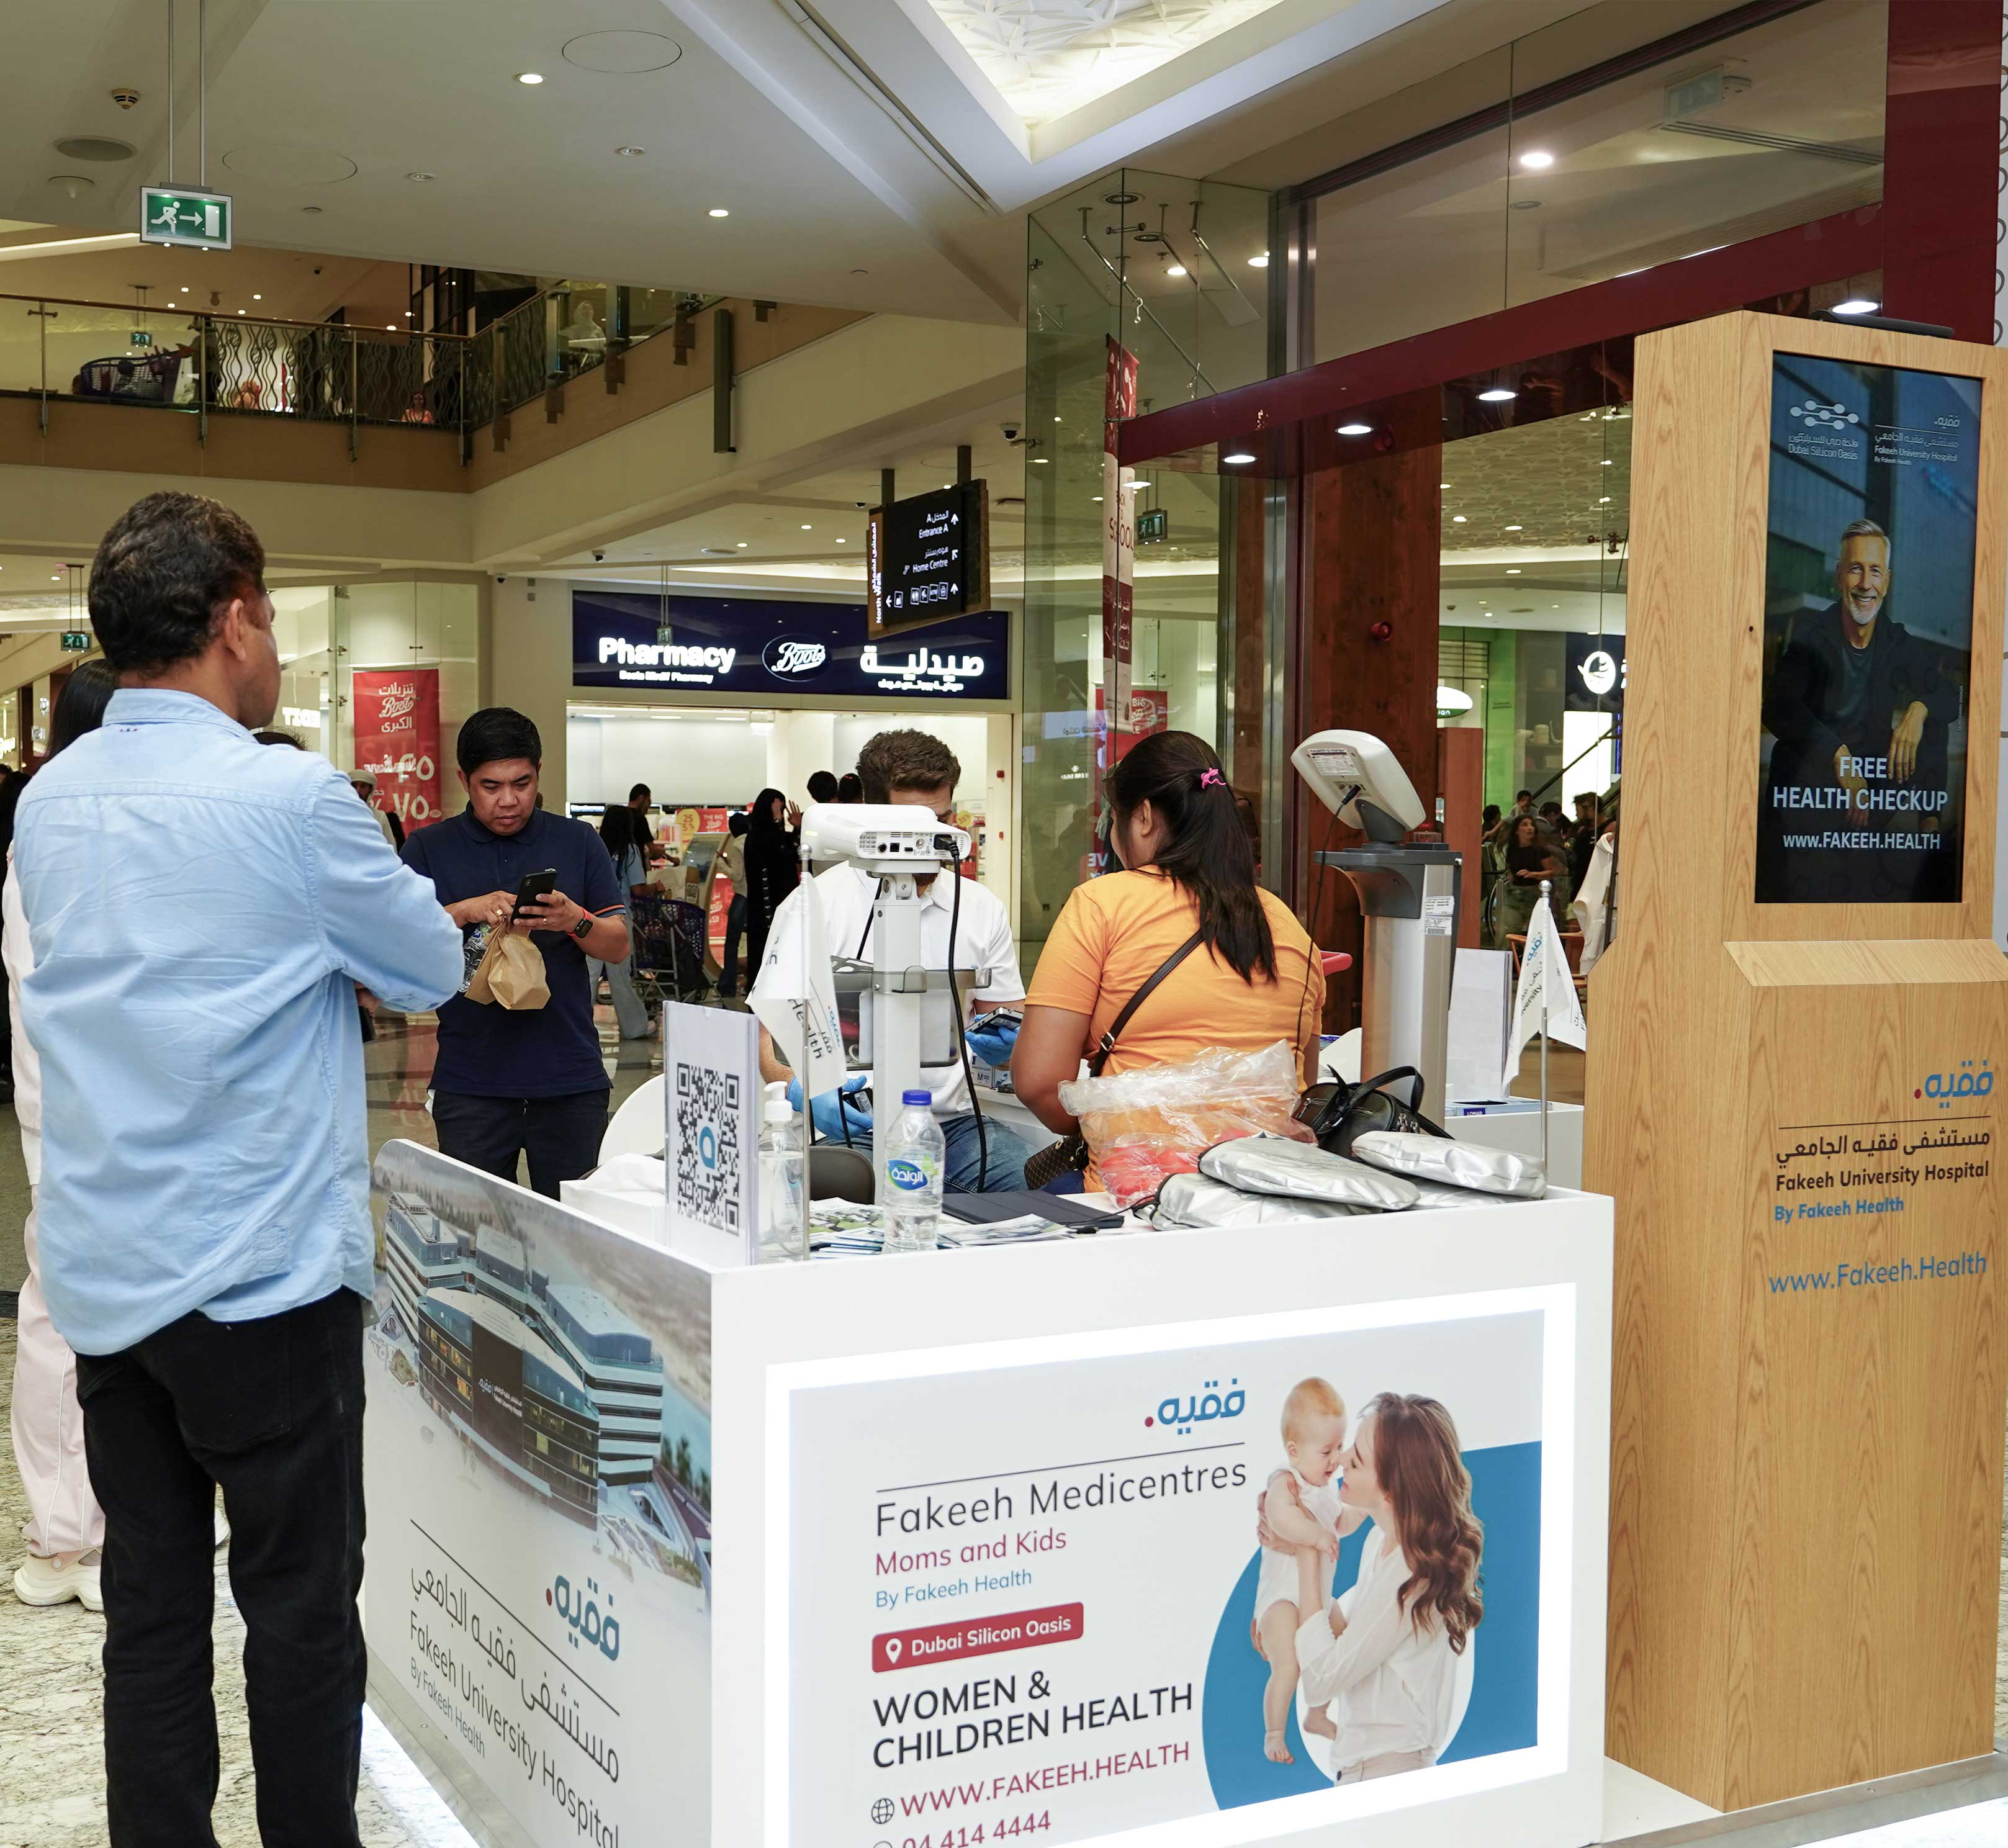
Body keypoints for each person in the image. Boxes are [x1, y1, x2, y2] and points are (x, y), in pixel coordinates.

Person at [14, 490, 464, 1845]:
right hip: (262, 1281)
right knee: (300, 1610)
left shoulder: (50, 800)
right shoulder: (288, 797)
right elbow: (428, 964)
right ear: (233, 622)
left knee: (151, 1608)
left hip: (107, 1275)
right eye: (267, 615)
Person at [1012, 731, 1325, 1190]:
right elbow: (1298, 1082)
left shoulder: (1102, 903)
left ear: (1142, 817)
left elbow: (1038, 1081)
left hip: (1136, 1193)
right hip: (1266, 1190)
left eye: (1112, 820)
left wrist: (1112, 1124)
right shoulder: (1286, 923)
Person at [751, 730, 1034, 1192]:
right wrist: (804, 1086)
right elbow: (766, 1042)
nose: (932, 841)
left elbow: (1006, 1023)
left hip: (953, 1127)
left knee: (1038, 1188)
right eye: (914, 826)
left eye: (942, 820)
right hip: (854, 1128)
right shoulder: (813, 906)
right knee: (848, 1199)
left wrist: (1012, 1048)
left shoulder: (981, 908)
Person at [400, 708, 631, 1197]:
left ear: (538, 772)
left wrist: (573, 918)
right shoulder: (428, 849)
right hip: (471, 1082)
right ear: (464, 779)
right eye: (490, 786)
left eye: (522, 783)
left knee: (572, 1230)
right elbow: (398, 946)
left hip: (569, 1079)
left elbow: (617, 943)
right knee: (478, 1230)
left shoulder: (577, 841)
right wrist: (462, 911)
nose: (508, 800)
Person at [7, 662, 118, 1613]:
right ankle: (62, 1533)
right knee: (60, 1323)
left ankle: (94, 1522)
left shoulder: (79, 821)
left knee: (99, 1324)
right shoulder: (51, 829)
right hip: (79, 1119)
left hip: (108, 1120)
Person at [1284, 1394, 1485, 1785]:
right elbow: (1352, 1644)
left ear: (1390, 1491)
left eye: (1357, 1460)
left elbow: (1321, 1680)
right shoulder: (1381, 1543)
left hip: (1389, 1776)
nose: (1342, 1460)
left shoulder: (1413, 1573)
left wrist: (1308, 1552)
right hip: (1369, 1771)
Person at [1758, 517, 1958, 902]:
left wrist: (1918, 710)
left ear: (1887, 581)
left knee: (1933, 720)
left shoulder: (1895, 640)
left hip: (1872, 791)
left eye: (1875, 571)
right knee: (1790, 754)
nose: (1866, 583)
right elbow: (1777, 705)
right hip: (1817, 790)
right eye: (1855, 569)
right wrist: (1838, 756)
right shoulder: (1813, 635)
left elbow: (1949, 697)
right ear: (1839, 576)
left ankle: (1929, 837)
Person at [1254, 1379, 1364, 1764]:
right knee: (1289, 1665)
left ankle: (1317, 1713)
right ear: (1294, 1452)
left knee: (1342, 1642)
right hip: (1282, 1599)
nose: (1335, 1460)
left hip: (1317, 1597)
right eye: (1326, 1451)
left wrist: (1364, 1509)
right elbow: (1279, 1517)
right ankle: (1274, 1732)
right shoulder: (1288, 1481)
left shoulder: (1326, 1490)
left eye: (1340, 1446)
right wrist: (1315, 1536)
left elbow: (1342, 1523)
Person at [591, 805, 655, 1041]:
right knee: (620, 977)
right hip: (617, 919)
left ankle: (577, 1026)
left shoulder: (594, 847)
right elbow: (638, 889)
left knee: (588, 975)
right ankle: (634, 1027)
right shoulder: (630, 851)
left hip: (591, 918)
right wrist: (656, 887)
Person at [739, 787, 799, 983]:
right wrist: (777, 822)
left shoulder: (779, 835)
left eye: (781, 811)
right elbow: (775, 852)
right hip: (765, 909)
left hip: (783, 905)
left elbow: (794, 854)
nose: (780, 815)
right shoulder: (756, 837)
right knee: (764, 953)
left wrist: (798, 828)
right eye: (777, 810)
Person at [1498, 812, 1566, 939]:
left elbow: (1552, 872)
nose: (1530, 828)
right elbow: (1510, 868)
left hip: (1534, 893)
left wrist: (1533, 874)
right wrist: (1510, 877)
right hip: (1515, 893)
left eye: (1531, 825)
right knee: (1508, 930)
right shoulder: (1512, 849)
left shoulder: (1541, 850)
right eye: (1525, 825)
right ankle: (1509, 951)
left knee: (1535, 931)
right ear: (1517, 831)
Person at [716, 808, 749, 999]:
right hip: (755, 896)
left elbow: (737, 875)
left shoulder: (737, 845)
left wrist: (721, 863)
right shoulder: (751, 842)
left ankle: (727, 985)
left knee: (731, 942)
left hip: (742, 895)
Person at [348, 764, 405, 849]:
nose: (358, 790)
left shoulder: (379, 817)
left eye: (363, 786)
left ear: (370, 790)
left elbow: (390, 848)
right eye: (354, 786)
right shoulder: (340, 814)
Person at [627, 781, 655, 846]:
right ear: (641, 798)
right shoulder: (640, 819)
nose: (649, 807)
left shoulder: (619, 816)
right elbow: (653, 849)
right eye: (648, 801)